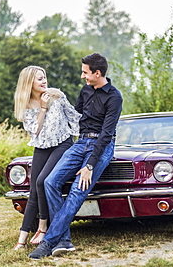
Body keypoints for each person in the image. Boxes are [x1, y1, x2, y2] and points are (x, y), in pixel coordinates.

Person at [28, 53, 123, 259]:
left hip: (101, 146)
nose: (82, 76)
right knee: (50, 182)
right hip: (80, 142)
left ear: (97, 73)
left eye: (85, 72)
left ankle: (49, 242)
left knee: (77, 190)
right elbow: (74, 116)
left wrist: (89, 165)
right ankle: (64, 241)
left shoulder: (114, 97)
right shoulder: (86, 90)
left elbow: (106, 134)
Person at [13, 65, 81, 250]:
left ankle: (43, 227)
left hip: (62, 143)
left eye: (44, 77)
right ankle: (21, 239)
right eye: (39, 79)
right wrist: (42, 108)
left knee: (43, 181)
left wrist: (87, 139)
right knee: (34, 188)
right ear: (29, 83)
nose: (44, 81)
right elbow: (35, 131)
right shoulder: (25, 105)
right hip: (41, 147)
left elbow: (74, 117)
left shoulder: (57, 96)